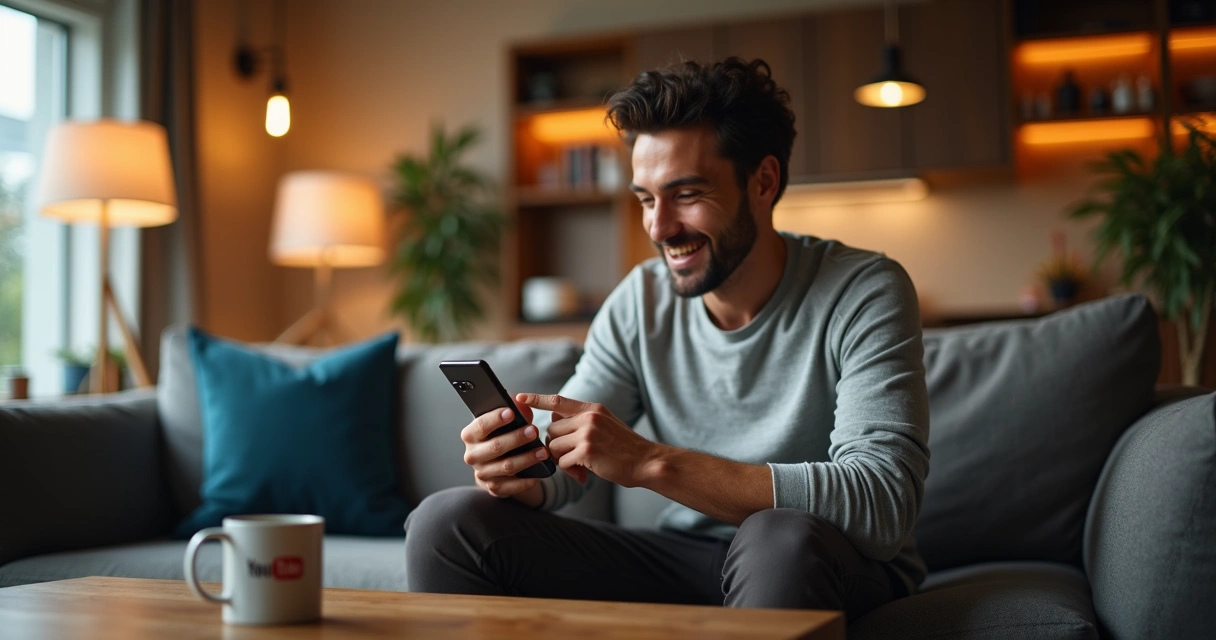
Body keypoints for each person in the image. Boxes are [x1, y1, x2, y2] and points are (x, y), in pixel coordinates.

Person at [405, 57, 930, 621]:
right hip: (687, 559)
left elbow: (880, 502)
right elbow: (566, 469)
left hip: (820, 559)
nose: (658, 228)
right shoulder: (641, 300)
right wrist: (521, 472)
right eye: (646, 199)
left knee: (777, 538)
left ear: (764, 181)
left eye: (686, 194)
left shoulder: (864, 289)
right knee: (446, 524)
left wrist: (651, 462)